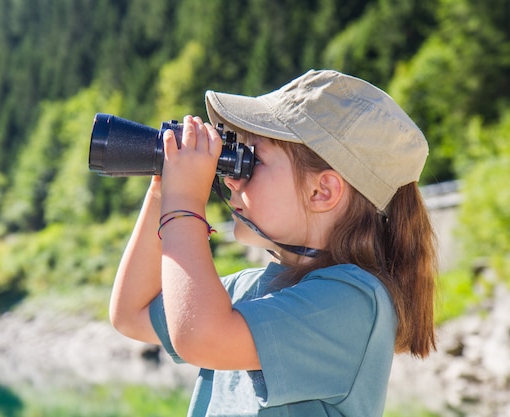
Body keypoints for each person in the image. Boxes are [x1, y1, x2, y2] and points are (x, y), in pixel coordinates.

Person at [108, 69, 437, 417]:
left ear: (321, 191)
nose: (232, 179)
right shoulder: (249, 289)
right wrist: (165, 186)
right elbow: (133, 314)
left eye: (253, 161)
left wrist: (185, 199)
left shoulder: (353, 302)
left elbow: (201, 337)